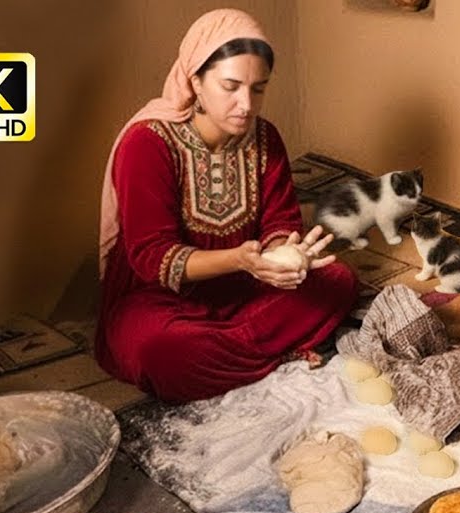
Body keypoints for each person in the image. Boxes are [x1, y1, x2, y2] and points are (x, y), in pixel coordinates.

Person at [96, 9, 357, 403]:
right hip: (161, 302)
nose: (246, 104)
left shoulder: (265, 137)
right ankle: (264, 353)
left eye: (258, 88)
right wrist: (241, 259)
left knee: (338, 280)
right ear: (195, 80)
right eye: (230, 86)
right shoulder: (147, 144)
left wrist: (285, 254)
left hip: (247, 288)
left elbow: (280, 220)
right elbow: (153, 258)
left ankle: (229, 355)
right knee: (161, 353)